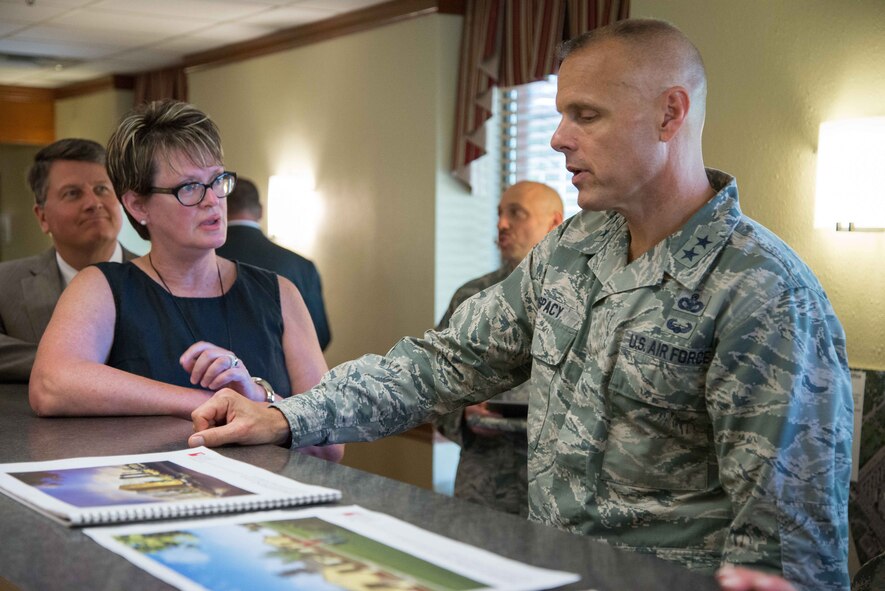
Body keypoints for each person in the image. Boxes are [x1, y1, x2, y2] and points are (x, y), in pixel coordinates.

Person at [188, 20, 852, 590]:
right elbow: (444, 362)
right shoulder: (571, 248)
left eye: (585, 115)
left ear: (669, 114)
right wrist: (285, 415)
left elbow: (788, 542)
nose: (559, 137)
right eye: (559, 113)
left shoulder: (761, 291)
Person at [29, 100, 342, 462]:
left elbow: (331, 445)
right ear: (138, 206)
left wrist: (258, 398)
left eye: (217, 181)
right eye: (190, 187)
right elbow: (50, 386)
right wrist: (209, 402)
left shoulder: (280, 293)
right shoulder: (101, 287)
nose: (212, 201)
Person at [435, 180, 562, 516]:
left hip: (559, 495)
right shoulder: (472, 297)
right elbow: (432, 385)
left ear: (555, 223)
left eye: (516, 213)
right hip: (484, 489)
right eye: (500, 214)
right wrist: (462, 415)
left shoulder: (586, 298)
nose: (502, 224)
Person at [0, 139, 134, 383]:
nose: (94, 204)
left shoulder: (161, 276)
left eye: (102, 189)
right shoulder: (5, 284)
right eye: (73, 193)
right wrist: (71, 364)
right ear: (42, 217)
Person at [216, 177, 331, 350]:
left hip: (215, 372)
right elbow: (320, 335)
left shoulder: (203, 259)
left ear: (222, 207)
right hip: (283, 373)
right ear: (261, 211)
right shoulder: (300, 265)